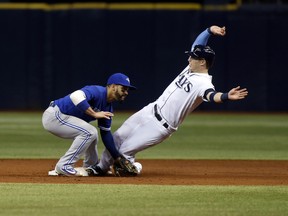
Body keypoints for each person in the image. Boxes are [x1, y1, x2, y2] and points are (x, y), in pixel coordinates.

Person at [88, 25, 248, 176]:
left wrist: (227, 95)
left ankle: (134, 167)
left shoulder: (204, 83)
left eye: (193, 58)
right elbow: (198, 43)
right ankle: (101, 168)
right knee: (117, 137)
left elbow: (213, 96)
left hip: (161, 126)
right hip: (150, 110)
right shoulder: (190, 68)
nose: (189, 59)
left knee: (124, 152)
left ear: (202, 62)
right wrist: (209, 30)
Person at [42, 73, 137, 176]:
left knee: (93, 133)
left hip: (63, 118)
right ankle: (63, 166)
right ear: (113, 87)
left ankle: (91, 166)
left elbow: (106, 134)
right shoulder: (97, 91)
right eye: (123, 89)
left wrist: (117, 157)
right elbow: (75, 96)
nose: (126, 92)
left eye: (127, 90)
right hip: (55, 115)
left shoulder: (108, 108)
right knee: (89, 132)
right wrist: (94, 114)